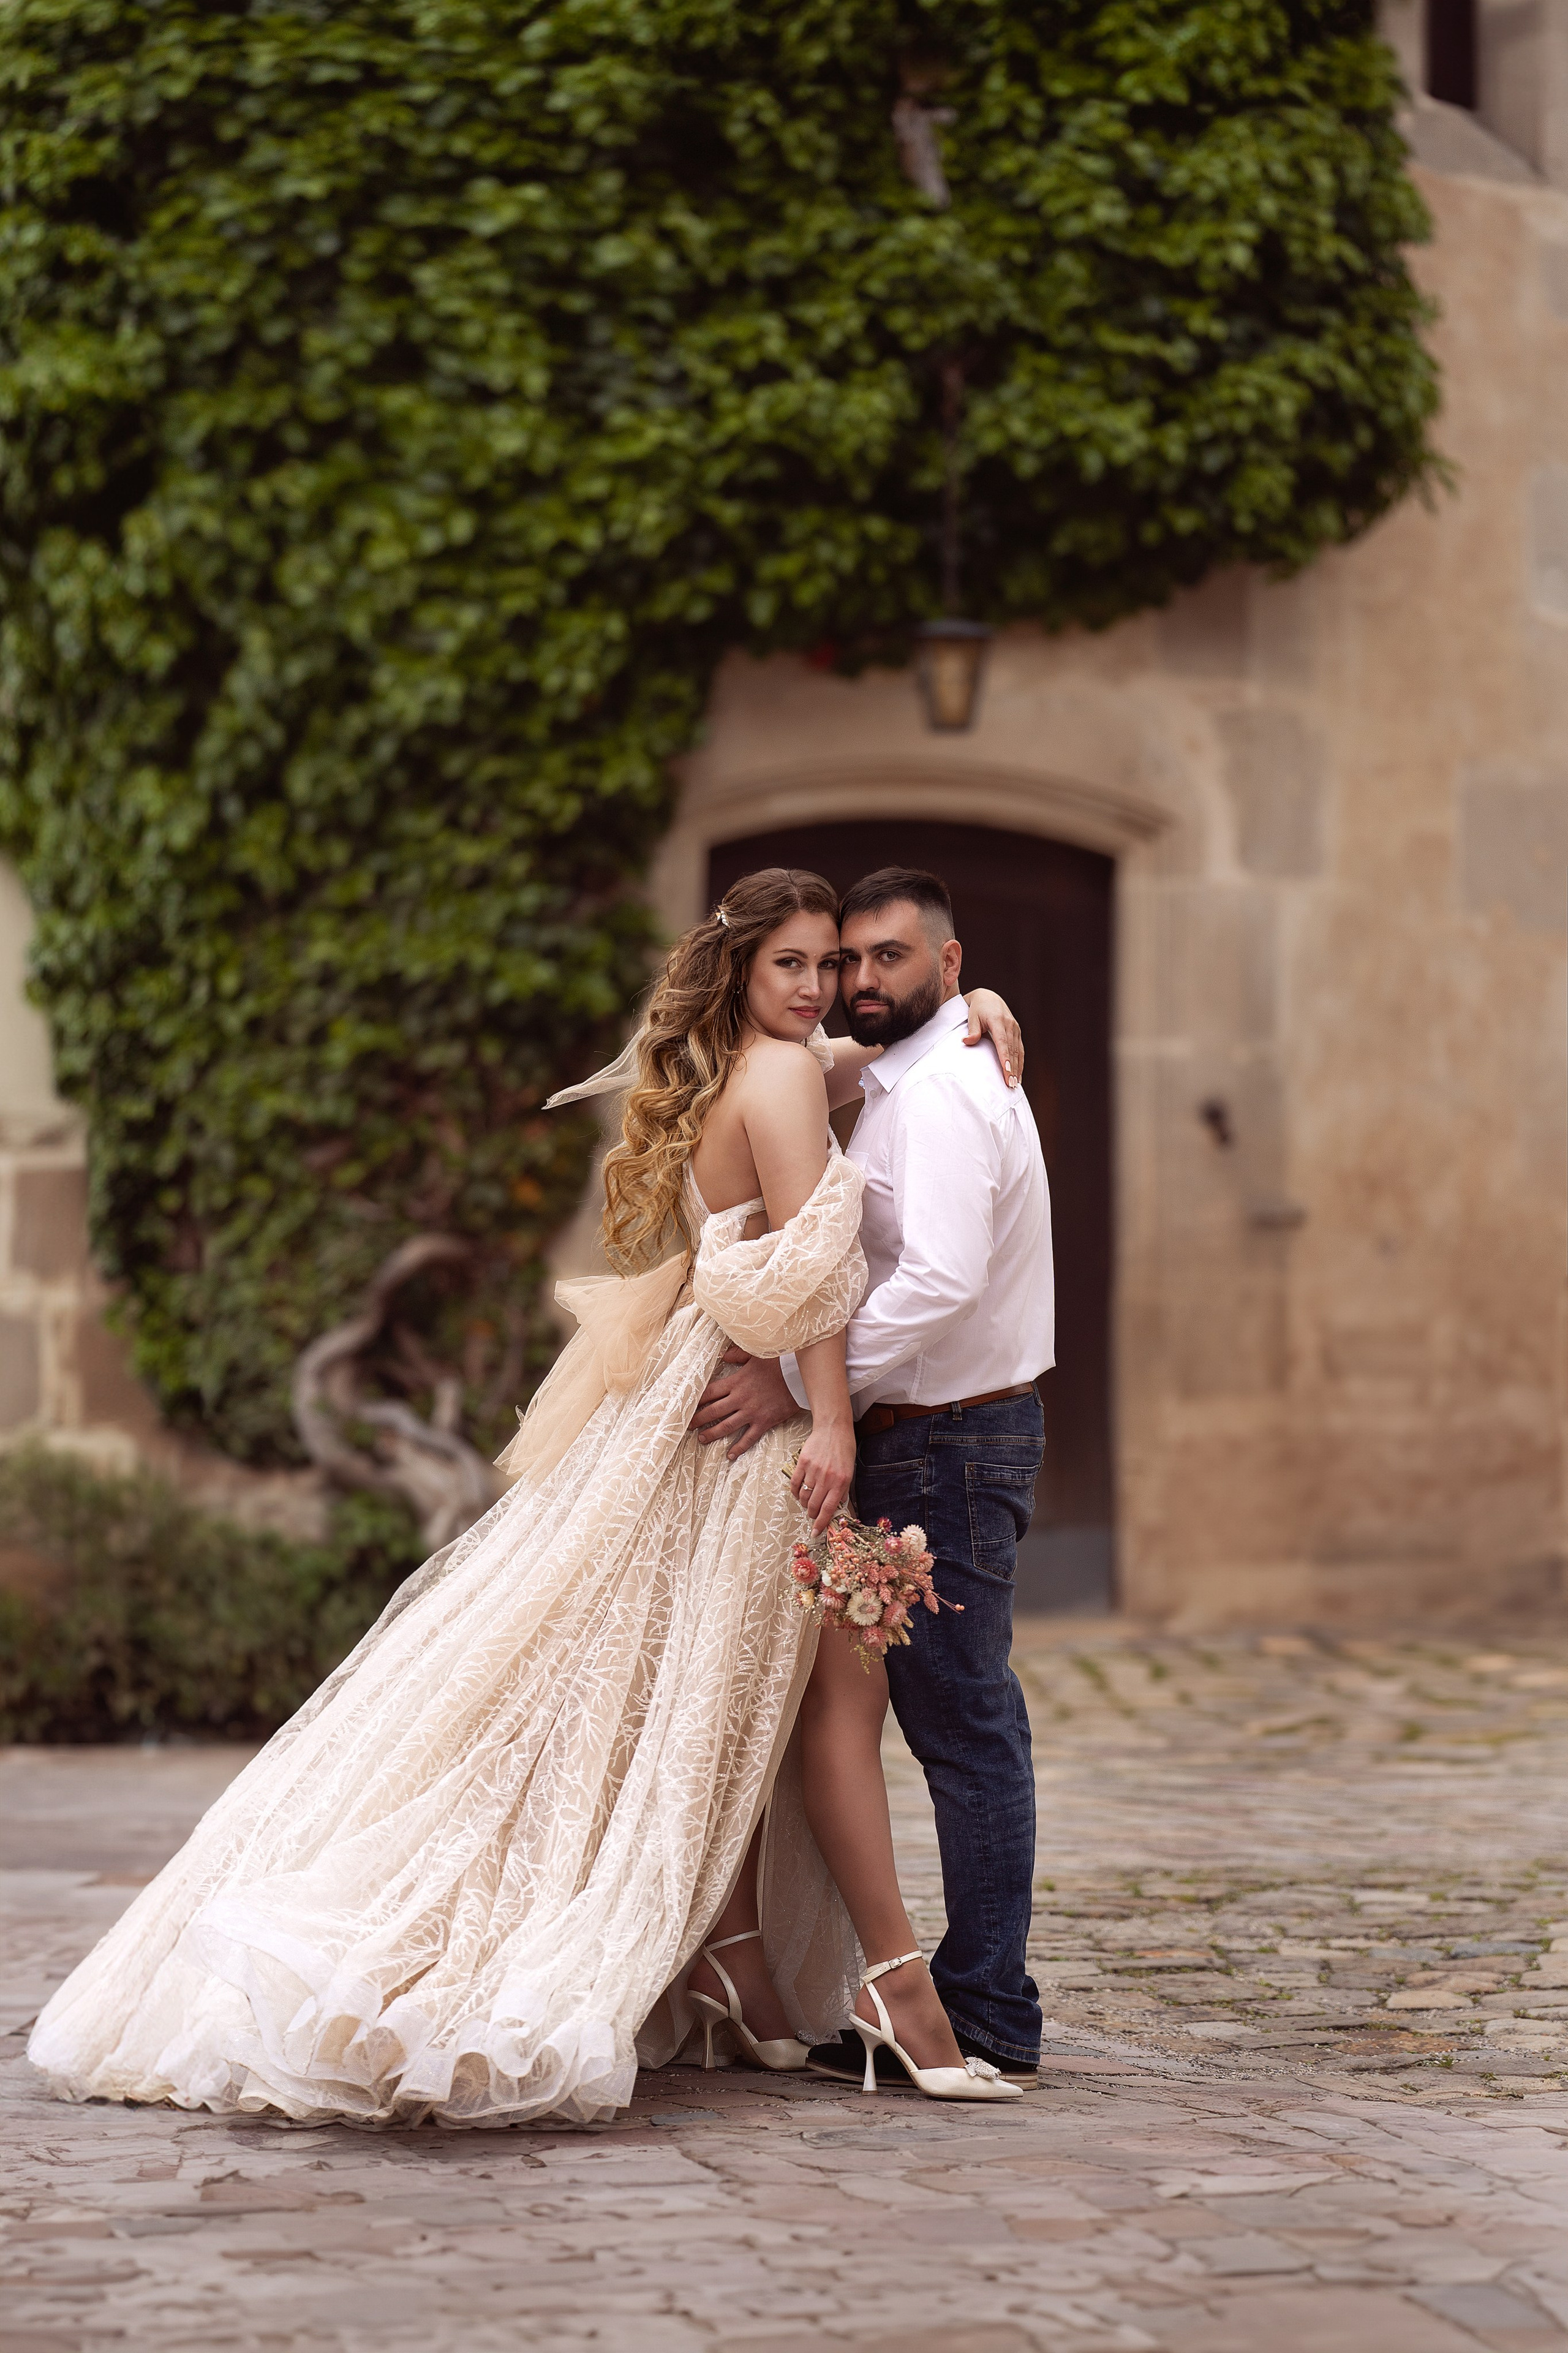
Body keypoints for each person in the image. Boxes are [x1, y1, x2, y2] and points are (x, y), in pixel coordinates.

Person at [29, 867, 1027, 2126]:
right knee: (781, 1686)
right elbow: (802, 1277)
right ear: (741, 969)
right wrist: (827, 1416)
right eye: (793, 965)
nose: (821, 988)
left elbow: (864, 1061)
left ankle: (740, 1965)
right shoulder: (775, 1073)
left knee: (678, 1680)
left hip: (684, 1399)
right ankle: (884, 1987)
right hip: (745, 1410)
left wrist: (971, 999)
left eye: (832, 965)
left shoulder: (755, 1062)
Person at [692, 866, 1054, 2082]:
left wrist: (798, 1396)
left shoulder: (942, 1088)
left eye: (879, 958)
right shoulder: (871, 1067)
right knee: (810, 1708)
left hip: (945, 1440)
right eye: (825, 961)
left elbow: (938, 1283)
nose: (848, 982)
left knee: (954, 1725)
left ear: (944, 965)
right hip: (893, 1434)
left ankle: (980, 2003)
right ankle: (891, 1984)